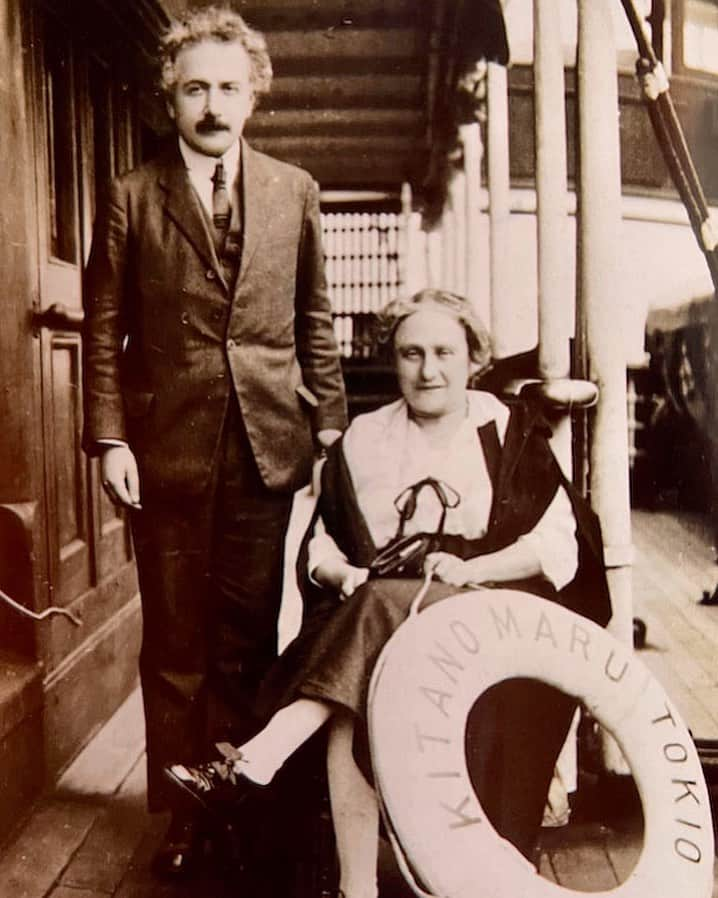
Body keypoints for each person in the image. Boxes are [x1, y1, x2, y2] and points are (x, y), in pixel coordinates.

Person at [166, 289, 612, 898]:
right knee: (365, 669)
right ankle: (355, 885)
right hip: (380, 620)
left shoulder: (506, 430)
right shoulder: (365, 438)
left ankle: (263, 758)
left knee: (372, 624)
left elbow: (559, 543)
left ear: (472, 358)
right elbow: (323, 547)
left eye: (444, 353)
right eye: (411, 353)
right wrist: (342, 577)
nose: (428, 370)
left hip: (491, 610)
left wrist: (475, 569)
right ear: (393, 359)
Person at [81, 6, 347, 879]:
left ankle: (239, 795)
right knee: (176, 640)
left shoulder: (293, 189)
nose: (212, 103)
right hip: (165, 449)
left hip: (265, 443)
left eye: (229, 87)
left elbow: (315, 317)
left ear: (254, 94)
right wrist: (110, 437)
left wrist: (331, 420)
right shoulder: (130, 193)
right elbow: (104, 326)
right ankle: (183, 816)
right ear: (171, 93)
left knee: (244, 634)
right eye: (196, 86)